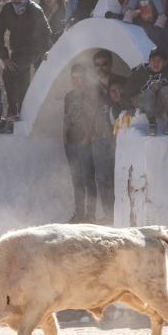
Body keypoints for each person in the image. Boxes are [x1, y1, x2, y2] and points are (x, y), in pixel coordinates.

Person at [0, 0, 52, 119]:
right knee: (21, 81)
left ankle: (12, 110)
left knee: (9, 73)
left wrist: (46, 51)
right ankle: (24, 113)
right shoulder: (7, 9)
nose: (18, 2)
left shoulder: (35, 9)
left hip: (34, 48)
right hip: (17, 49)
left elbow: (46, 32)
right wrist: (5, 57)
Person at [63, 64, 95, 222]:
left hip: (84, 141)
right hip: (71, 142)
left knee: (88, 178)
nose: (78, 81)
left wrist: (87, 137)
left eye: (81, 77)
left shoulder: (90, 94)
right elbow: (66, 117)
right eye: (74, 78)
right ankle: (79, 213)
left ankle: (91, 214)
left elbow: (92, 116)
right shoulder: (69, 96)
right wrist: (64, 136)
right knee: (76, 179)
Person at [92, 78, 126, 222]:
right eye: (112, 91)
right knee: (101, 179)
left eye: (119, 90)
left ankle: (115, 214)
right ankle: (108, 214)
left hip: (114, 147)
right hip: (100, 145)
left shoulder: (123, 107)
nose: (116, 93)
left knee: (113, 180)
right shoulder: (104, 106)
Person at [125, 47, 168, 136]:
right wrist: (129, 107)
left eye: (159, 60)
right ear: (149, 61)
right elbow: (126, 92)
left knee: (166, 90)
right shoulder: (140, 72)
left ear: (165, 63)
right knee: (148, 92)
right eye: (153, 60)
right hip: (142, 103)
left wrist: (161, 84)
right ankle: (152, 125)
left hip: (158, 104)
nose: (156, 63)